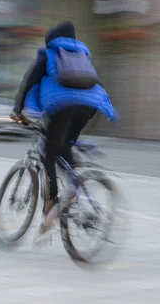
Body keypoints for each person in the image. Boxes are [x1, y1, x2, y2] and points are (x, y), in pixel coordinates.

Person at [11, 21, 117, 237]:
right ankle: (76, 185)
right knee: (64, 144)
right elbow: (96, 82)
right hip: (90, 107)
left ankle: (51, 201)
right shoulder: (83, 55)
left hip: (62, 106)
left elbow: (30, 81)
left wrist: (18, 109)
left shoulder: (48, 53)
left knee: (49, 154)